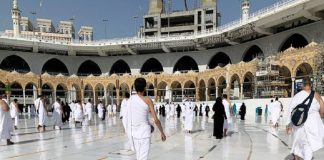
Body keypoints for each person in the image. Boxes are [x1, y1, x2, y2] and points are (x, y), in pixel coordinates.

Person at [125, 78, 166, 160]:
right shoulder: (147, 100)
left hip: (134, 133)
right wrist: (162, 132)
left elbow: (127, 117)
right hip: (144, 133)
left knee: (139, 157)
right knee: (143, 157)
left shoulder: (130, 100)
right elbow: (156, 120)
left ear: (135, 88)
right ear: (144, 87)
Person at [286, 77, 324, 160]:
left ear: (302, 85)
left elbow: (290, 111)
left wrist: (289, 125)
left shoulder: (297, 96)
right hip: (313, 124)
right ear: (310, 85)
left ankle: (297, 157)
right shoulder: (317, 95)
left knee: (298, 143)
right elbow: (322, 112)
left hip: (299, 123)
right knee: (308, 145)